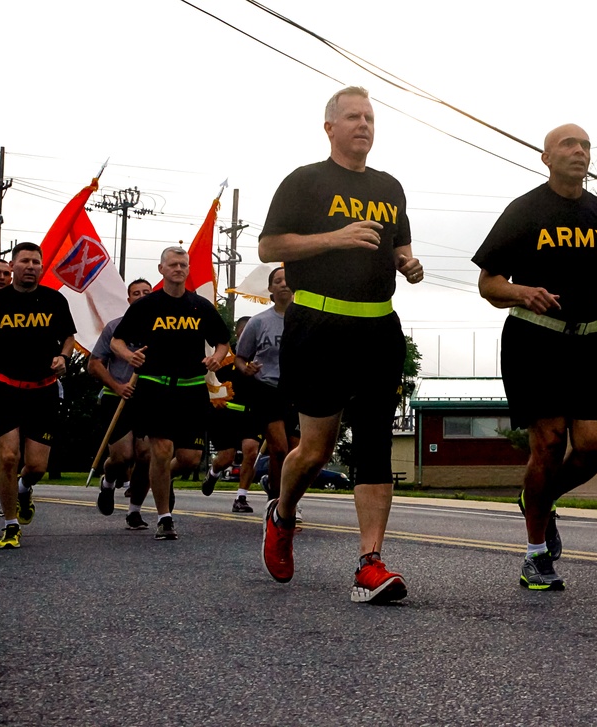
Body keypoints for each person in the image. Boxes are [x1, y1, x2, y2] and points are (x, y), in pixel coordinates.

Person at [258, 86, 423, 603]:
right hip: (318, 326)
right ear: (329, 126)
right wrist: (335, 238)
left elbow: (400, 247)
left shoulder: (390, 187)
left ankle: (370, 564)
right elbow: (269, 247)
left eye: (370, 117)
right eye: (353, 116)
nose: (364, 125)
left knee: (374, 439)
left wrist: (408, 264)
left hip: (378, 327)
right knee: (316, 448)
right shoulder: (305, 182)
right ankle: (282, 516)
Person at [472, 123, 597, 591]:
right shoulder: (525, 210)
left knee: (596, 446)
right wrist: (521, 292)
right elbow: (488, 283)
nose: (579, 152)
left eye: (584, 146)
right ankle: (536, 555)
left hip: (588, 342)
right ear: (546, 157)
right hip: (534, 340)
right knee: (549, 441)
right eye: (568, 145)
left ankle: (536, 497)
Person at [111, 246, 229, 541]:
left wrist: (217, 357)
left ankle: (159, 478)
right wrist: (129, 356)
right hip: (155, 386)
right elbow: (116, 341)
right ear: (161, 269)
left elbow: (222, 342)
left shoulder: (200, 306)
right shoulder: (146, 306)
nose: (179, 269)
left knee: (189, 459)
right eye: (173, 264)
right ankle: (165, 517)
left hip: (191, 388)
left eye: (183, 265)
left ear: (188, 270)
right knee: (161, 450)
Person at [0, 242, 77, 549]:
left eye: (36, 262)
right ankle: (10, 524)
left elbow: (68, 337)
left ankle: (24, 488)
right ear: (13, 265)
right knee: (7, 457)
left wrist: (64, 357)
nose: (31, 266)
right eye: (25, 261)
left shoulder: (54, 300)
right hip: (3, 388)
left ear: (41, 268)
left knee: (36, 466)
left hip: (42, 391)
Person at [89, 278, 153, 526]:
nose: (141, 296)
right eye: (136, 293)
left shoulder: (160, 329)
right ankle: (108, 482)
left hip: (148, 399)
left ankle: (134, 510)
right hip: (116, 398)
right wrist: (117, 386)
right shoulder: (115, 328)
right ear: (128, 300)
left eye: (146, 292)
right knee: (123, 456)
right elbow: (93, 365)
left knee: (146, 456)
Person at [233, 267, 298, 507]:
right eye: (277, 281)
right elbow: (240, 357)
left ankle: (286, 493)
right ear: (270, 289)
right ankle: (277, 501)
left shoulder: (305, 319)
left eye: (287, 279)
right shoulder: (259, 322)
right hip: (267, 388)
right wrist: (245, 368)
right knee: (279, 448)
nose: (283, 284)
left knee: (297, 452)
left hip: (297, 391)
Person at [200, 315, 265, 513]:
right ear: (237, 333)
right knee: (226, 458)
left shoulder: (262, 357)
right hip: (226, 414)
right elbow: (211, 380)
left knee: (251, 450)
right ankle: (213, 472)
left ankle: (241, 497)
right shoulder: (225, 356)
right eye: (244, 331)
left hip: (252, 414)